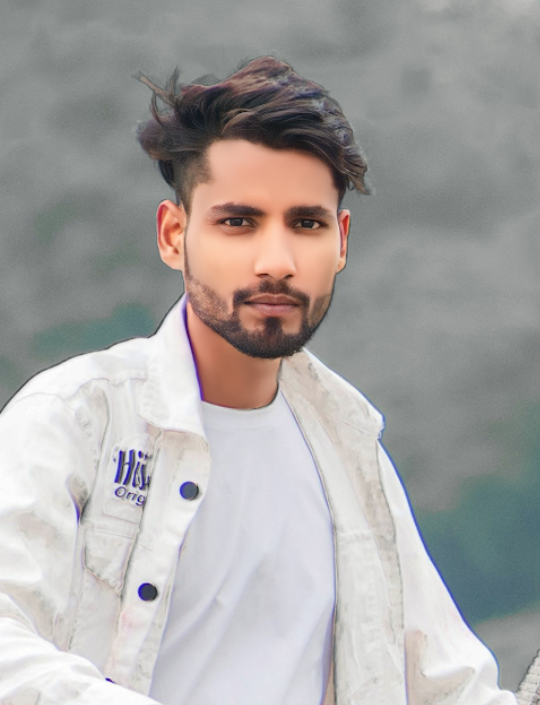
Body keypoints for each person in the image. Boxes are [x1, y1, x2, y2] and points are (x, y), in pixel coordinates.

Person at [0, 56, 516, 705]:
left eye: (306, 223)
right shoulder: (76, 419)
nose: (277, 261)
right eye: (238, 222)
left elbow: (451, 688)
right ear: (173, 234)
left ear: (341, 242)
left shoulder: (351, 452)